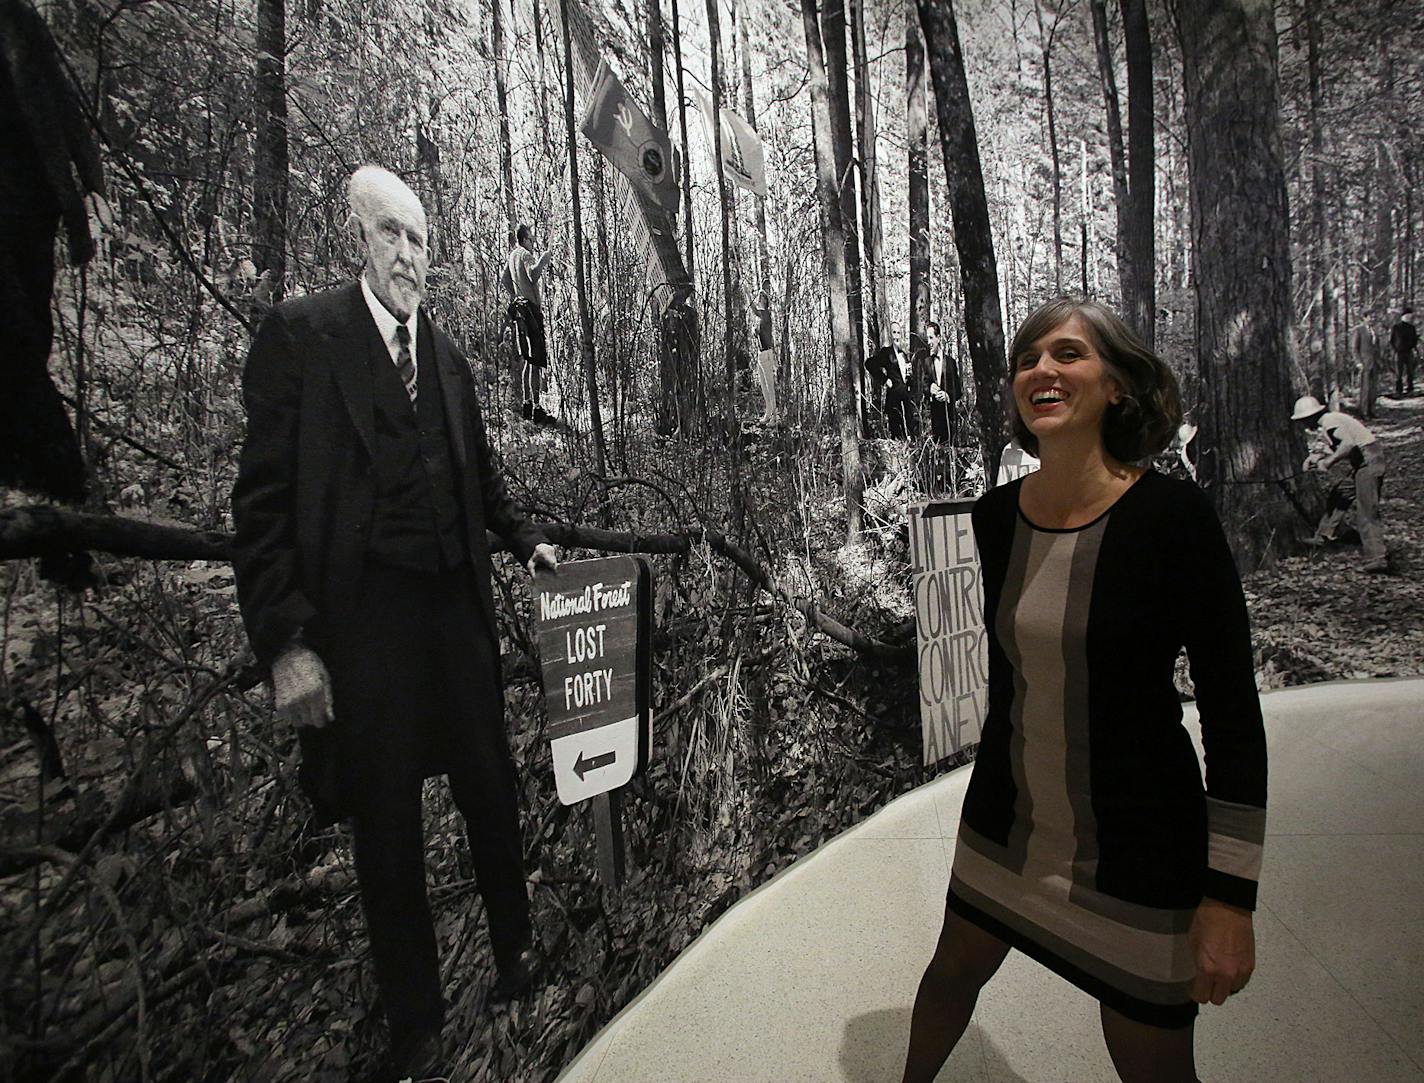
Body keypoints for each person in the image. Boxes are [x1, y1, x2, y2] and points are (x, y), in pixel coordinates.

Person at [232, 166, 559, 1080]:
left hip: (455, 612)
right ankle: (417, 1020)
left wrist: (525, 538)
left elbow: (482, 477)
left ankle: (514, 950)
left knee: (491, 786)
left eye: (419, 239)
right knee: (387, 825)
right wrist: (289, 643)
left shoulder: (449, 359)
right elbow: (258, 508)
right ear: (358, 241)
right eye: (391, 234)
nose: (408, 254)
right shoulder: (303, 338)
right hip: (363, 626)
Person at [903, 297, 1267, 1083]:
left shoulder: (1174, 518)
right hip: (1008, 819)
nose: (1042, 369)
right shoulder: (996, 518)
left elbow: (1234, 711)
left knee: (1153, 1059)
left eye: (1068, 353)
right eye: (1028, 357)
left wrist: (1231, 899)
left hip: (1138, 841)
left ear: (1117, 387)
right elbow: (1012, 679)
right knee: (950, 974)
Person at [0, 0, 111, 502]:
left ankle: (31, 481)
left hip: (32, 206)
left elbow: (60, 103)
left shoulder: (20, 21)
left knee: (34, 334)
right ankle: (59, 487)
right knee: (16, 337)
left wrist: (93, 184)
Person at [1291, 394, 1388, 573]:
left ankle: (1377, 558)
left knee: (1367, 510)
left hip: (1369, 461)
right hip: (1361, 463)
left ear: (1311, 416)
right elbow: (1335, 445)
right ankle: (1323, 535)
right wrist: (1316, 457)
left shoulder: (1330, 420)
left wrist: (1328, 462)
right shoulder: (1330, 423)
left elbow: (1348, 444)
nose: (1304, 425)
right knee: (1340, 494)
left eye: (1304, 421)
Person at [508, 222, 554, 423]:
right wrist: (543, 260)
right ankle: (536, 408)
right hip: (531, 312)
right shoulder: (526, 255)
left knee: (528, 359)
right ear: (525, 239)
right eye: (531, 238)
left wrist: (518, 295)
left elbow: (504, 281)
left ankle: (527, 405)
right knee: (535, 360)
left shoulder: (512, 256)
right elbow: (533, 275)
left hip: (520, 310)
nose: (533, 241)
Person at [865, 341, 918, 439]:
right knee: (897, 434)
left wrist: (910, 376)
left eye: (898, 333)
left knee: (910, 433)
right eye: (894, 332)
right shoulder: (886, 352)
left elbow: (908, 379)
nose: (897, 336)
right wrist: (884, 379)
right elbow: (870, 363)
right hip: (894, 399)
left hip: (906, 400)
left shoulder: (904, 354)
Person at [920, 320, 958, 444]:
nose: (929, 342)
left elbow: (958, 390)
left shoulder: (951, 362)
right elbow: (924, 387)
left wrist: (948, 396)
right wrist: (929, 389)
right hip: (934, 417)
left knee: (950, 449)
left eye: (931, 338)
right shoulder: (926, 362)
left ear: (938, 338)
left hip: (949, 416)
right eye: (927, 339)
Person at [750, 291, 778, 423]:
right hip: (761, 354)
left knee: (769, 386)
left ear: (765, 302)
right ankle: (768, 413)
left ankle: (774, 416)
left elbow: (755, 311)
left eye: (762, 299)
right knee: (763, 385)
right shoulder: (761, 318)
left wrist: (747, 295)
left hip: (767, 354)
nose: (759, 300)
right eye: (759, 298)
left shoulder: (765, 314)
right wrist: (755, 332)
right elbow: (761, 334)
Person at [1352, 315, 1381, 419]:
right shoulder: (1359, 330)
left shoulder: (1374, 331)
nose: (1372, 319)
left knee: (1374, 389)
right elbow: (1354, 348)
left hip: (1375, 363)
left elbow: (1377, 348)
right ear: (1364, 318)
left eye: (1373, 317)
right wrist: (1358, 362)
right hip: (1364, 363)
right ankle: (1363, 412)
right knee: (1365, 388)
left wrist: (1379, 360)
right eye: (1369, 317)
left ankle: (1372, 410)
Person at [1389, 307, 1417, 397]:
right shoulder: (1396, 327)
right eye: (1407, 316)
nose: (1409, 317)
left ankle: (1410, 389)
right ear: (1403, 316)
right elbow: (1392, 340)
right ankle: (1399, 390)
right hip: (1399, 352)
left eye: (1410, 316)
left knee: (1410, 371)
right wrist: (1395, 349)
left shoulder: (1412, 328)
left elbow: (1414, 339)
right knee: (1398, 373)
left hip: (1409, 352)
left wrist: (1411, 347)